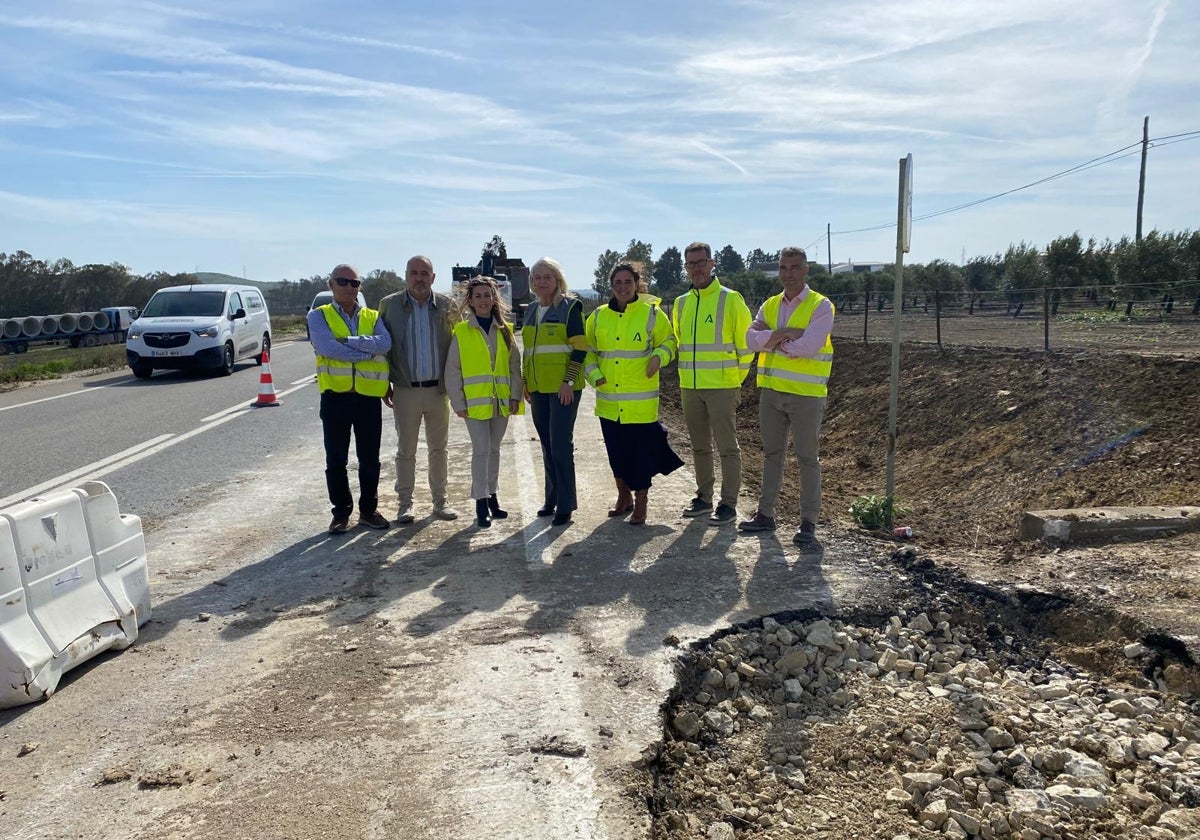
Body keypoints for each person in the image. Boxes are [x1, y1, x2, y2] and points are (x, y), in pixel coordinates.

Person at [738, 246, 835, 545]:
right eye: (783, 268)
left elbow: (810, 346)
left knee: (807, 458)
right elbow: (750, 339)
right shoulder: (769, 305)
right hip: (772, 392)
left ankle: (808, 523)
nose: (788, 273)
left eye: (794, 267)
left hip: (806, 395)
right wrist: (784, 334)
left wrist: (772, 341)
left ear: (805, 270)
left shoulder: (821, 306)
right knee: (772, 455)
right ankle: (765, 515)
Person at [584, 263, 683, 525]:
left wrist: (658, 358)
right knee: (616, 453)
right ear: (611, 285)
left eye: (628, 282)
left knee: (640, 454)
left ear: (637, 283)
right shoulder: (598, 316)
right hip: (609, 402)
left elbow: (670, 342)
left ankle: (641, 502)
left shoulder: (652, 314)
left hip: (641, 402)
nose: (622, 287)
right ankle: (623, 496)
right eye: (617, 282)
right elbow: (588, 352)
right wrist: (594, 376)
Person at [671, 241, 754, 525]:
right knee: (700, 447)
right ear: (686, 268)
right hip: (690, 388)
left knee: (727, 448)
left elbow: (747, 348)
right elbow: (681, 343)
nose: (696, 268)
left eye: (701, 261)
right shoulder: (681, 304)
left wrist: (734, 381)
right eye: (691, 263)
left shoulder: (731, 299)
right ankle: (704, 498)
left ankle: (728, 503)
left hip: (722, 388)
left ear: (712, 263)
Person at [307, 264, 393, 534]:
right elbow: (327, 347)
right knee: (336, 460)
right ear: (331, 284)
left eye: (354, 283)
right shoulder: (318, 316)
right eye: (343, 282)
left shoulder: (372, 315)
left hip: (368, 398)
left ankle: (368, 511)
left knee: (370, 459)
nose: (349, 287)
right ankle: (341, 513)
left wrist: (348, 342)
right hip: (336, 398)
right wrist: (366, 352)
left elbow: (385, 344)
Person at [378, 256, 458, 523]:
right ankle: (405, 504)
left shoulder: (448, 306)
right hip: (405, 390)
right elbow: (381, 347)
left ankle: (440, 501)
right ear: (406, 276)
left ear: (433, 278)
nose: (420, 278)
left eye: (425, 273)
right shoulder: (389, 306)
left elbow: (459, 348)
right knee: (406, 450)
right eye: (414, 273)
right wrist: (383, 384)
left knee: (439, 449)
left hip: (438, 391)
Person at [445, 277, 522, 528]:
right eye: (477, 296)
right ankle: (480, 502)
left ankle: (493, 497)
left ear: (494, 298)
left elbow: (513, 366)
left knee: (495, 450)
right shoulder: (462, 331)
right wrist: (458, 402)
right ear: (470, 301)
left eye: (487, 295)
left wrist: (514, 396)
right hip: (474, 404)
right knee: (481, 450)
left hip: (500, 402)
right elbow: (453, 370)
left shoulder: (505, 330)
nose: (483, 300)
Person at [521, 258, 587, 527]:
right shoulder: (530, 310)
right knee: (547, 446)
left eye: (547, 276)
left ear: (557, 279)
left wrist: (568, 382)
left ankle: (566, 504)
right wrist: (526, 381)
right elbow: (529, 351)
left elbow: (580, 349)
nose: (541, 281)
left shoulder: (570, 307)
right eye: (536, 277)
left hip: (563, 389)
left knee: (560, 446)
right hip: (538, 389)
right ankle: (552, 498)